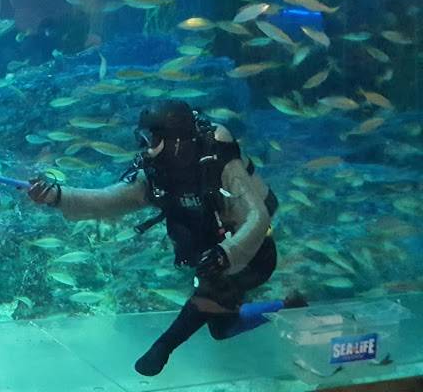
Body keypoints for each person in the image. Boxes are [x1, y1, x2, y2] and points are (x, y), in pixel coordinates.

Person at [26, 100, 305, 376]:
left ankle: (163, 348)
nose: (145, 148)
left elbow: (257, 216)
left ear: (176, 140)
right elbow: (110, 199)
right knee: (222, 329)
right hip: (212, 256)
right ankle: (287, 307)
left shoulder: (218, 163)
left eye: (152, 139)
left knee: (209, 294)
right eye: (142, 138)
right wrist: (57, 196)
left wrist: (227, 252)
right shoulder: (157, 173)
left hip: (254, 253)